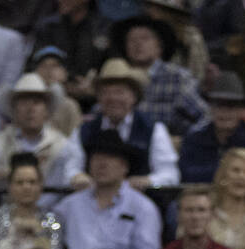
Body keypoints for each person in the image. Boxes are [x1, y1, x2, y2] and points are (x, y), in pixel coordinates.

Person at [55, 131, 162, 249]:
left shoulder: (143, 207)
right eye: (96, 157)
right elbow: (48, 230)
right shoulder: (69, 205)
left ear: (124, 167)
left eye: (110, 158)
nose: (102, 164)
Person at [75, 58, 179, 191]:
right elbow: (71, 168)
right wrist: (78, 176)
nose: (113, 98)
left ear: (134, 96)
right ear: (98, 98)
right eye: (106, 92)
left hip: (142, 203)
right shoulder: (85, 130)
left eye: (119, 92)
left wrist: (147, 181)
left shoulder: (153, 129)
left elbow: (170, 175)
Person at [0, 73, 85, 192]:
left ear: (46, 109)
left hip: (54, 209)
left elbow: (72, 174)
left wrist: (78, 178)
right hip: (7, 208)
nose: (30, 109)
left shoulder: (63, 145)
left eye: (36, 102)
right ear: (14, 109)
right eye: (24, 102)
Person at [109, 13, 207, 138]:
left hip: (168, 147)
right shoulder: (119, 75)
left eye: (145, 38)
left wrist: (186, 142)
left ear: (159, 46)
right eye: (132, 39)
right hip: (122, 147)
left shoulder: (176, 77)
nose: (138, 44)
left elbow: (205, 116)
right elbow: (101, 113)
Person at [177, 71, 245, 185]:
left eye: (232, 106)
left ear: (242, 109)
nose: (225, 112)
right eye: (219, 105)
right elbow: (186, 176)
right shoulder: (193, 140)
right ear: (211, 107)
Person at [0, 152, 64, 249]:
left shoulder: (51, 220)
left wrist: (38, 233)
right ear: (10, 186)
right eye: (20, 182)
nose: (26, 187)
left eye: (32, 182)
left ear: (40, 186)